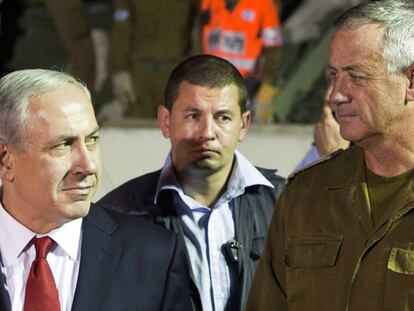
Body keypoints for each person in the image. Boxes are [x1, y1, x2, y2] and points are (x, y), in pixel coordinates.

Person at [247, 0, 414, 310]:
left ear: (411, 81)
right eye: (334, 76)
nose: (335, 95)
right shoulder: (305, 194)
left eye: (357, 76)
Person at [99, 54, 285, 311]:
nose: (207, 133)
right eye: (192, 116)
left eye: (223, 117)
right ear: (166, 121)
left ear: (243, 125)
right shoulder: (117, 214)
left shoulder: (286, 204)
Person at [0, 69, 192, 311]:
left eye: (92, 140)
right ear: (5, 159)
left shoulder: (154, 257)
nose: (88, 165)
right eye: (63, 145)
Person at [107, 0, 199, 119]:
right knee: (138, 132)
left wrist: (196, 73)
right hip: (139, 76)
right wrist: (119, 71)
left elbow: (198, 30)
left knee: (176, 131)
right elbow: (121, 30)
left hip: (175, 74)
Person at [200, 0, 284, 122]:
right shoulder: (209, 2)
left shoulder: (263, 4)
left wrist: (268, 83)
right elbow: (199, 36)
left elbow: (273, 47)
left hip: (247, 84)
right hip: (211, 83)